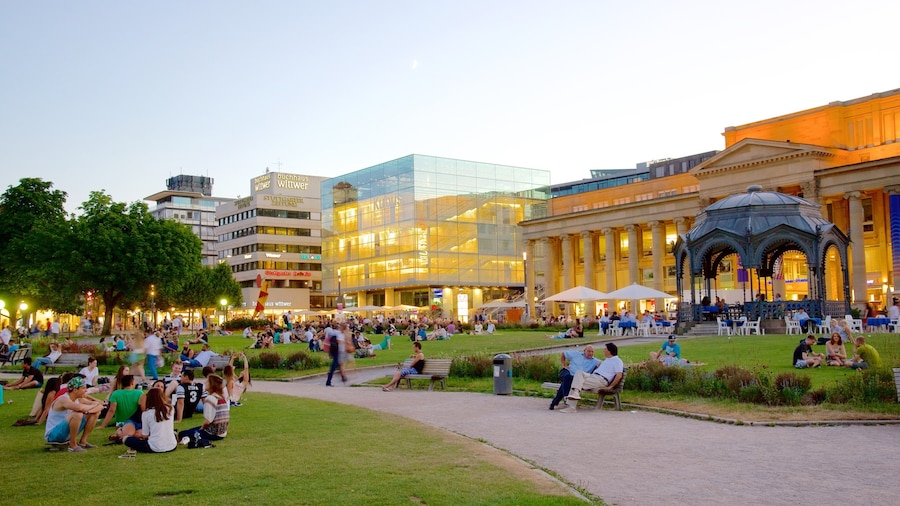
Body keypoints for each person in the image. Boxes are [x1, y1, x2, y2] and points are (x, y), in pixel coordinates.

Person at [44, 376, 103, 452]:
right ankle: (73, 445)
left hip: (64, 432)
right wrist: (93, 406)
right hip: (53, 435)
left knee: (95, 412)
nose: (86, 391)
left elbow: (100, 406)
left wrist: (89, 411)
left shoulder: (78, 399)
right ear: (75, 390)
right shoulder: (64, 400)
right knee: (77, 414)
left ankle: (83, 442)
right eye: (83, 388)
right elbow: (79, 408)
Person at [562, 343, 624, 412]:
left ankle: (572, 407)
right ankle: (575, 395)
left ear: (609, 351)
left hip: (601, 380)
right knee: (579, 373)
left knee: (576, 382)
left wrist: (610, 387)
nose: (603, 351)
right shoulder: (608, 360)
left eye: (605, 349)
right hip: (593, 376)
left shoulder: (617, 361)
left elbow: (619, 375)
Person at [178, 374, 229, 449]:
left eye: (207, 382)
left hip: (213, 433)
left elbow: (207, 421)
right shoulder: (221, 398)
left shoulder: (210, 398)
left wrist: (202, 429)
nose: (204, 383)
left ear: (212, 385)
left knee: (182, 433)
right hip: (222, 432)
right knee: (190, 431)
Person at [122, 387, 177, 454]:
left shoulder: (146, 413)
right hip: (172, 445)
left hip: (154, 447)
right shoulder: (170, 408)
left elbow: (145, 435)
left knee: (125, 438)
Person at [548, 345, 600, 410]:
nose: (590, 353)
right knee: (567, 377)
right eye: (589, 351)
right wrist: (564, 365)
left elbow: (603, 364)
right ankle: (566, 396)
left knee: (567, 381)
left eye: (592, 352)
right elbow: (564, 353)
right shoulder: (576, 354)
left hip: (576, 378)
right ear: (584, 351)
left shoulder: (595, 361)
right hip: (567, 371)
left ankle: (555, 402)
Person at [99, 374, 144, 441]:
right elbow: (142, 409)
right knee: (137, 433)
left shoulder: (116, 393)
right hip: (135, 422)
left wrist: (103, 425)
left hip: (120, 422)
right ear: (132, 382)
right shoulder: (139, 393)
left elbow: (111, 411)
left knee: (122, 430)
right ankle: (123, 435)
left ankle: (119, 433)